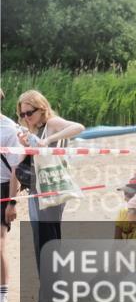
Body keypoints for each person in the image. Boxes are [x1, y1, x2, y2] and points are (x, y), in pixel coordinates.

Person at [15, 90, 85, 272]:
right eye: (22, 114)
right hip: (35, 189)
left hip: (50, 187)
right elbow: (26, 162)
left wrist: (47, 140)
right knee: (41, 238)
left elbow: (78, 127)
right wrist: (24, 145)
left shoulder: (51, 123)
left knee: (47, 238)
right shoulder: (32, 129)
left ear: (41, 108)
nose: (26, 117)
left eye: (29, 113)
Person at [0, 89, 23, 302]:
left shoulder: (8, 128)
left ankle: (2, 297)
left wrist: (12, 202)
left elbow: (16, 167)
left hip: (2, 188)